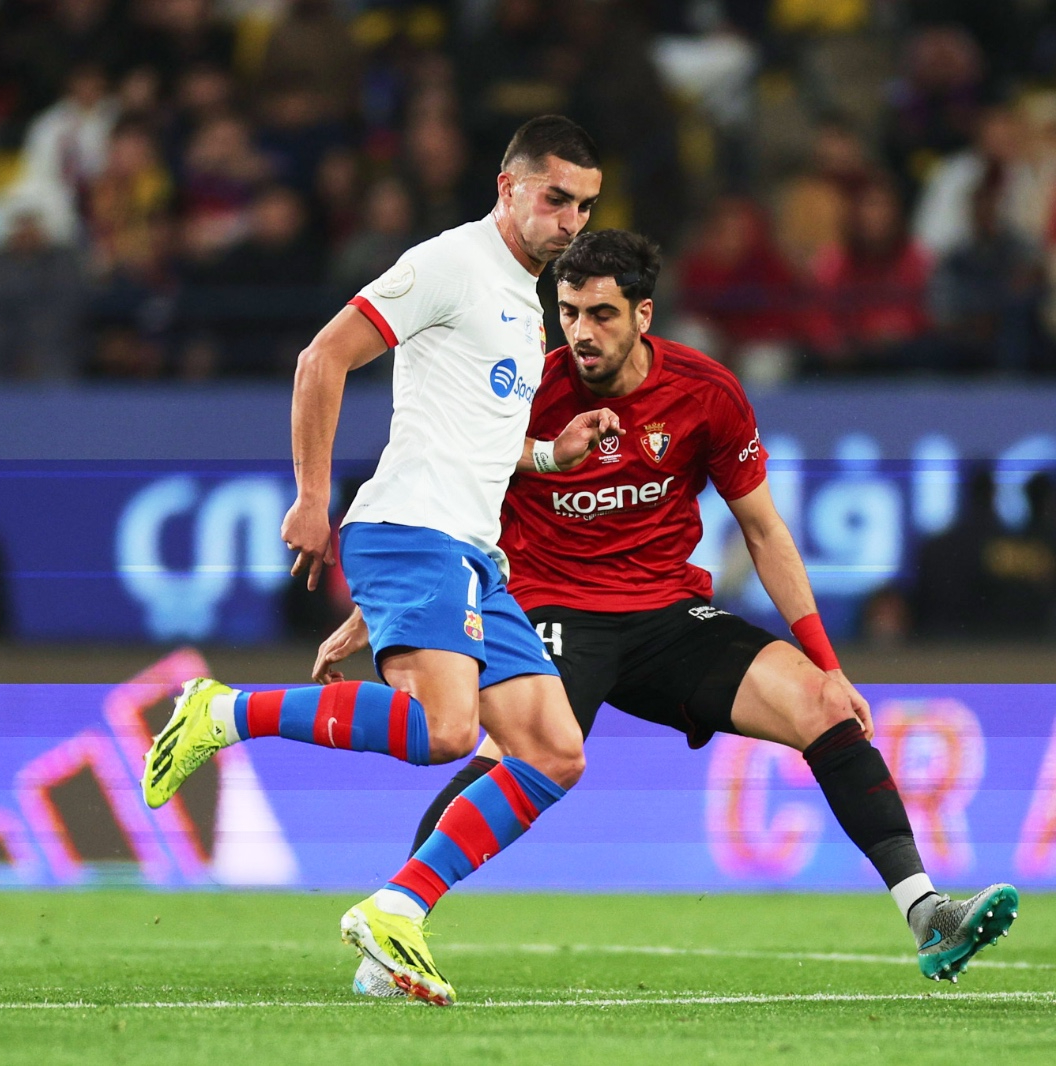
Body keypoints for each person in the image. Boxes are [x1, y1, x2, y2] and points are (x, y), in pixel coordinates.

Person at [314, 229, 1020, 994]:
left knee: (822, 705)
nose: (582, 332)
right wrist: (388, 608)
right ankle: (397, 927)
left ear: (643, 314)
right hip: (551, 609)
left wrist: (830, 664)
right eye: (569, 312)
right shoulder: (522, 392)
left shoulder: (704, 392)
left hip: (667, 616)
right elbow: (449, 504)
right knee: (513, 755)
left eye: (602, 314)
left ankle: (928, 915)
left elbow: (763, 531)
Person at [140, 115, 612, 1005]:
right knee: (447, 731)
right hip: (413, 533)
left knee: (554, 751)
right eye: (556, 199)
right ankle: (222, 710)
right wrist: (311, 498)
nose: (571, 222)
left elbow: (478, 442)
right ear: (508, 186)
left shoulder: (527, 304)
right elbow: (322, 357)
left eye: (584, 206)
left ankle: (398, 907)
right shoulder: (450, 264)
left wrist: (553, 455)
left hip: (466, 554)